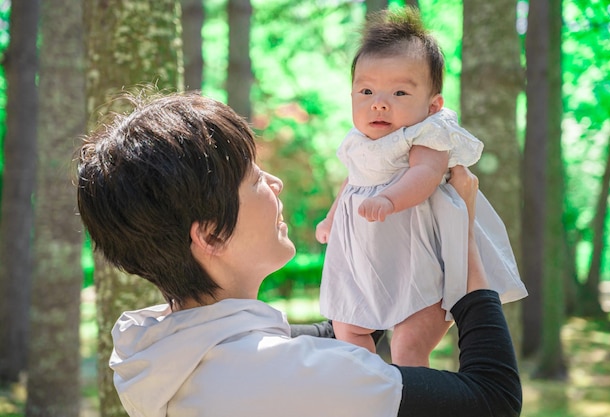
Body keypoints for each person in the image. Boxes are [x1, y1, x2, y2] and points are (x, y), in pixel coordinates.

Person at [76, 91, 522, 417]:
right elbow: (493, 398)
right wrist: (460, 237)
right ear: (210, 236)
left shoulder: (149, 345)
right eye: (253, 180)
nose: (276, 183)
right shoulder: (293, 375)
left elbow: (336, 332)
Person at [315, 7, 528, 366]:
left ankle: (413, 397)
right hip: (364, 263)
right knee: (348, 330)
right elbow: (353, 182)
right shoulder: (357, 141)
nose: (379, 102)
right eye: (366, 90)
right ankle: (367, 389)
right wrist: (331, 217)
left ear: (432, 106)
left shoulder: (426, 134)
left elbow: (424, 176)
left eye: (399, 92)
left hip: (421, 258)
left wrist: (389, 199)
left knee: (409, 347)